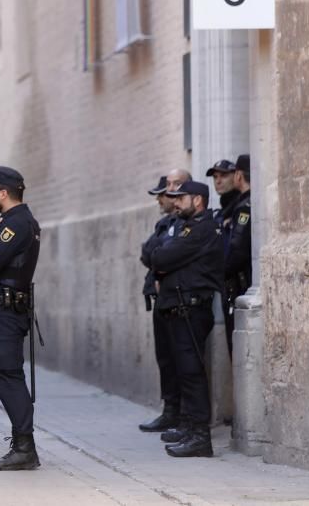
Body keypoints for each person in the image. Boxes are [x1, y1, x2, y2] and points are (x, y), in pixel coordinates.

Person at [0, 166, 42, 471]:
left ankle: (25, 448)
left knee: (9, 376)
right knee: (8, 375)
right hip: (5, 308)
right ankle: (23, 445)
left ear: (3, 193)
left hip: (5, 310)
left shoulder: (15, 224)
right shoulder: (21, 222)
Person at [150, 180, 223, 458]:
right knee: (185, 371)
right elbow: (155, 254)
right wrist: (162, 257)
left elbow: (162, 257)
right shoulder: (185, 227)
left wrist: (163, 257)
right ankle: (190, 428)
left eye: (182, 198)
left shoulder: (201, 228)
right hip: (180, 308)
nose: (176, 202)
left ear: (198, 200)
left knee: (192, 373)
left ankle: (200, 437)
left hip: (191, 309)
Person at [138, 175, 182, 433]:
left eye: (163, 194)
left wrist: (158, 257)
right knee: (165, 358)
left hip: (178, 298)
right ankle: (170, 410)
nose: (160, 199)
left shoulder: (183, 223)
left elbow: (166, 255)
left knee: (181, 360)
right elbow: (148, 252)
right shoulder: (164, 223)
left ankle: (183, 415)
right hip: (161, 299)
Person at [222, 154, 252, 356]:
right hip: (241, 284)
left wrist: (218, 271)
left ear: (239, 176)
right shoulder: (240, 204)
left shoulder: (244, 207)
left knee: (240, 352)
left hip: (241, 286)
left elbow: (237, 250)